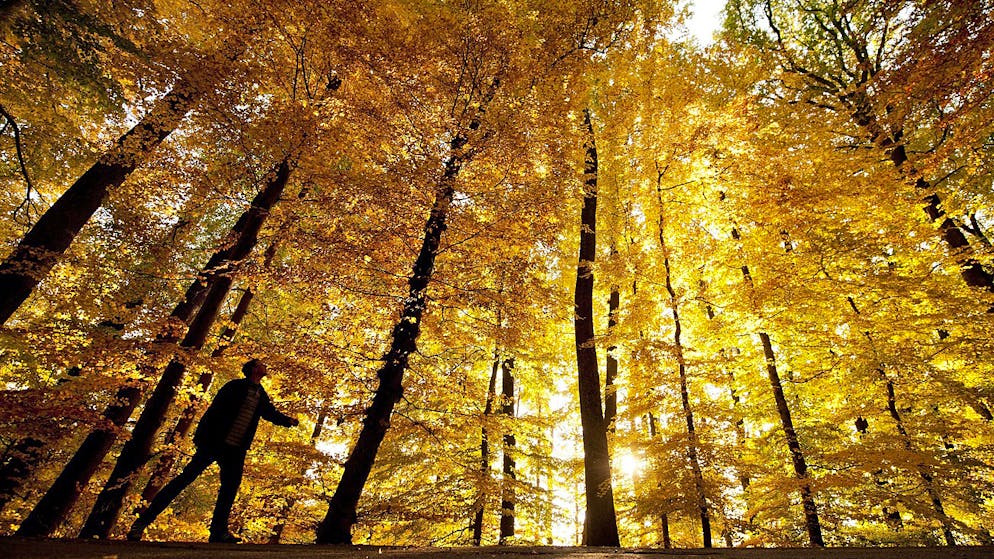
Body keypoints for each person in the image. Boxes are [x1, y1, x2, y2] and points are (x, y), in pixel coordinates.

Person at [127, 358, 299, 543]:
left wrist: (287, 421)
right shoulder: (234, 386)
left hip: (236, 449)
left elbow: (269, 412)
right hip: (214, 443)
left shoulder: (260, 393)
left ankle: (218, 532)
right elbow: (214, 411)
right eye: (261, 364)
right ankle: (141, 523)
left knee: (230, 488)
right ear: (254, 369)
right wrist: (201, 438)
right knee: (184, 479)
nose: (265, 366)